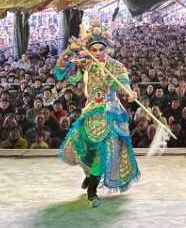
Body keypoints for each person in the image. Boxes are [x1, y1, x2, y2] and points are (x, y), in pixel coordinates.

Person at [54, 25, 140, 208]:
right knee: (80, 148)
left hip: (110, 114)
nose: (98, 53)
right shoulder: (85, 63)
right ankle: (89, 174)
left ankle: (92, 191)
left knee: (104, 152)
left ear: (106, 49)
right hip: (90, 112)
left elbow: (123, 83)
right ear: (89, 50)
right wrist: (69, 50)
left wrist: (130, 93)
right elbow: (61, 70)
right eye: (94, 50)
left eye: (101, 49)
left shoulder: (116, 66)